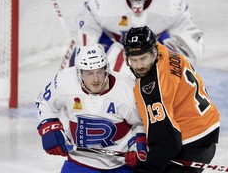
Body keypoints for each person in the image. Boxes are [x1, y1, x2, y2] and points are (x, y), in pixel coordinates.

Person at [72, 0, 204, 74]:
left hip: (155, 46)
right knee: (80, 58)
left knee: (186, 55)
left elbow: (188, 28)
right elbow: (86, 28)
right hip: (113, 43)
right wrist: (90, 54)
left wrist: (182, 49)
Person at [35, 44, 147, 173]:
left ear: (107, 68)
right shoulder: (64, 81)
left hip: (119, 165)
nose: (96, 79)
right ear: (79, 73)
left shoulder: (127, 89)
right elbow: (44, 102)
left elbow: (142, 121)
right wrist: (49, 128)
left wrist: (138, 144)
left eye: (100, 71)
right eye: (89, 73)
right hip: (79, 162)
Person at [123, 26, 220, 173]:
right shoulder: (165, 52)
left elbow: (168, 143)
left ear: (153, 52)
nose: (139, 66)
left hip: (191, 142)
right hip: (204, 125)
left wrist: (145, 168)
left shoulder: (152, 88)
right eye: (134, 60)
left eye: (143, 58)